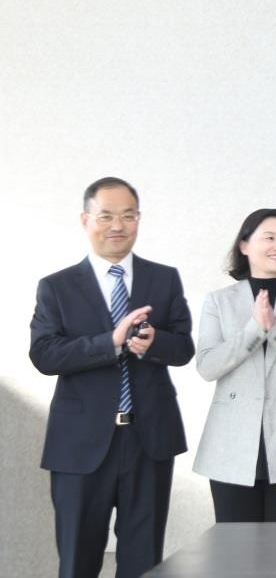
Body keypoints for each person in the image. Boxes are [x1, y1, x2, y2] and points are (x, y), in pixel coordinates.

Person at [30, 177, 194, 578]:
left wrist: (153, 343)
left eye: (128, 216)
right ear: (85, 220)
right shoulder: (57, 287)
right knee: (78, 560)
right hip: (79, 445)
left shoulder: (164, 278)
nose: (118, 225)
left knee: (144, 561)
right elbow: (44, 354)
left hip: (148, 440)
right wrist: (111, 342)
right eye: (106, 216)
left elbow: (184, 347)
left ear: (139, 219)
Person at [192, 208, 276, 522]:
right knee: (235, 545)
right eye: (269, 237)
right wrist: (255, 330)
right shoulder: (219, 300)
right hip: (230, 443)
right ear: (244, 245)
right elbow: (207, 366)